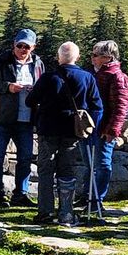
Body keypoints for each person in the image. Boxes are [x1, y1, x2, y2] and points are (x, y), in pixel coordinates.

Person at [27, 42, 103, 225]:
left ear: (58, 57)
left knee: (46, 171)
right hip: (72, 131)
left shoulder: (48, 78)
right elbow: (97, 106)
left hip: (48, 129)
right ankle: (66, 213)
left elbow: (30, 101)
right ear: (77, 57)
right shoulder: (87, 77)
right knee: (67, 171)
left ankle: (45, 212)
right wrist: (93, 129)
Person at [0, 29, 44, 207]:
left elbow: (43, 87)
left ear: (33, 47)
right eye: (19, 45)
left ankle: (20, 194)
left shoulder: (38, 64)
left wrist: (36, 91)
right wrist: (7, 87)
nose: (23, 49)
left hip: (27, 119)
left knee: (25, 158)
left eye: (27, 46)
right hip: (0, 119)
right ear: (13, 45)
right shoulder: (0, 61)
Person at [89, 40, 128, 218]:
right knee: (92, 164)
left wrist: (112, 130)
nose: (92, 58)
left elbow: (121, 108)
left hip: (105, 129)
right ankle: (89, 199)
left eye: (95, 55)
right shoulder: (98, 74)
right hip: (93, 127)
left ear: (107, 58)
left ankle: (97, 200)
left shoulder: (117, 77)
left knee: (102, 165)